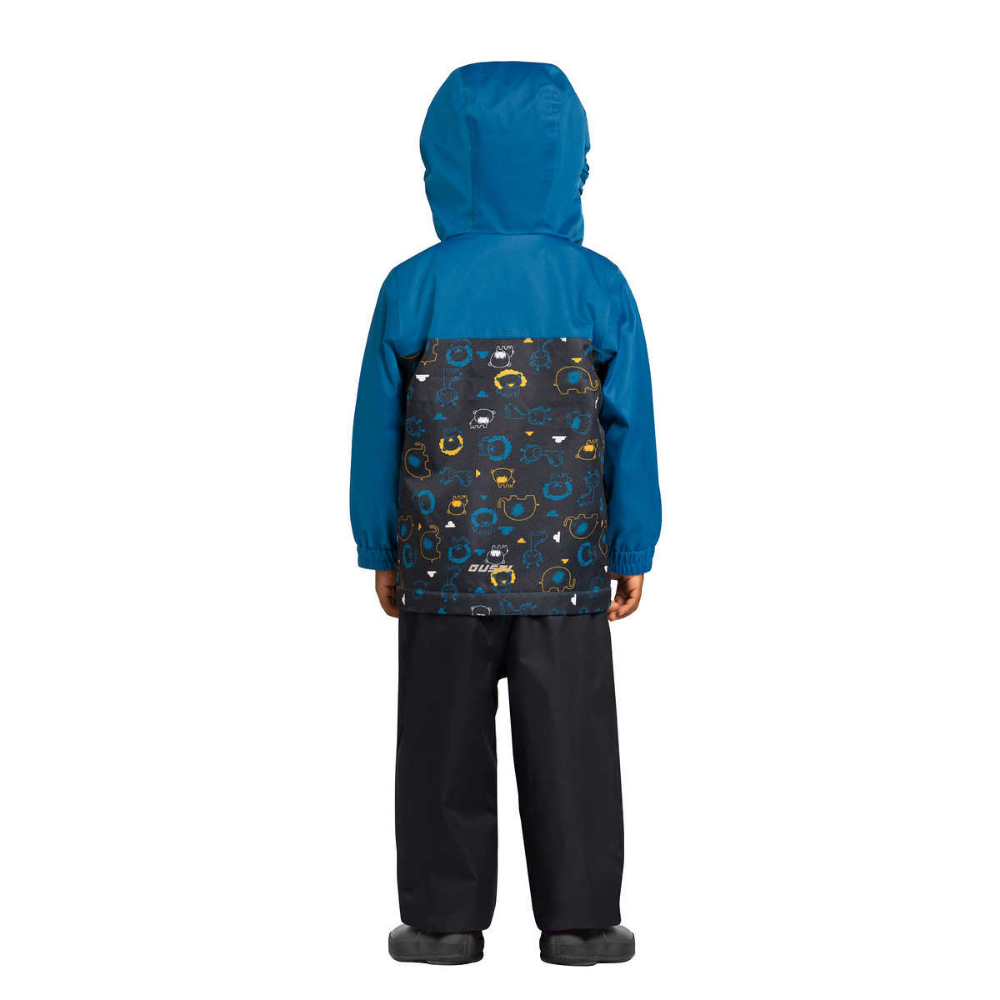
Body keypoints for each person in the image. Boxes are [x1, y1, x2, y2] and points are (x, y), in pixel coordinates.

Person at [349, 61, 661, 966]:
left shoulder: (412, 286)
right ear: (570, 163)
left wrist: (381, 547)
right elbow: (630, 423)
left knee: (440, 743)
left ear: (443, 162)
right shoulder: (598, 285)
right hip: (565, 568)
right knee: (572, 743)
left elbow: (377, 427)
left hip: (441, 566)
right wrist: (632, 546)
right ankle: (581, 924)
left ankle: (443, 923)